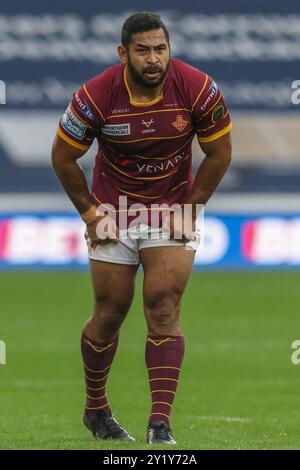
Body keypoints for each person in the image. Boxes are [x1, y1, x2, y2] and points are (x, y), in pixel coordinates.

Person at [51, 11, 232, 445]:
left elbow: (220, 153)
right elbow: (62, 157)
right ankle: (96, 410)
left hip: (172, 207)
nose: (154, 59)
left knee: (163, 306)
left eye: (160, 49)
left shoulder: (199, 89)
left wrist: (190, 208)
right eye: (143, 50)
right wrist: (91, 214)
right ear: (124, 53)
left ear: (169, 49)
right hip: (115, 209)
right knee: (110, 314)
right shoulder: (95, 97)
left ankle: (160, 425)